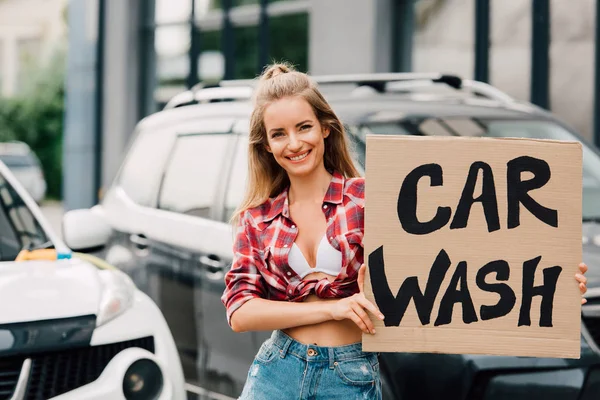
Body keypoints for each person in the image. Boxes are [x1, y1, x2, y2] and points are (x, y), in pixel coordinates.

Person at [221, 63, 589, 400]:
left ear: (325, 127)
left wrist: (552, 285)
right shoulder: (257, 218)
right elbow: (241, 312)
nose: (295, 144)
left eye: (304, 127)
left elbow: (463, 252)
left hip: (348, 376)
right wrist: (334, 309)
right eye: (279, 134)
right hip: (276, 372)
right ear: (267, 146)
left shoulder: (371, 200)